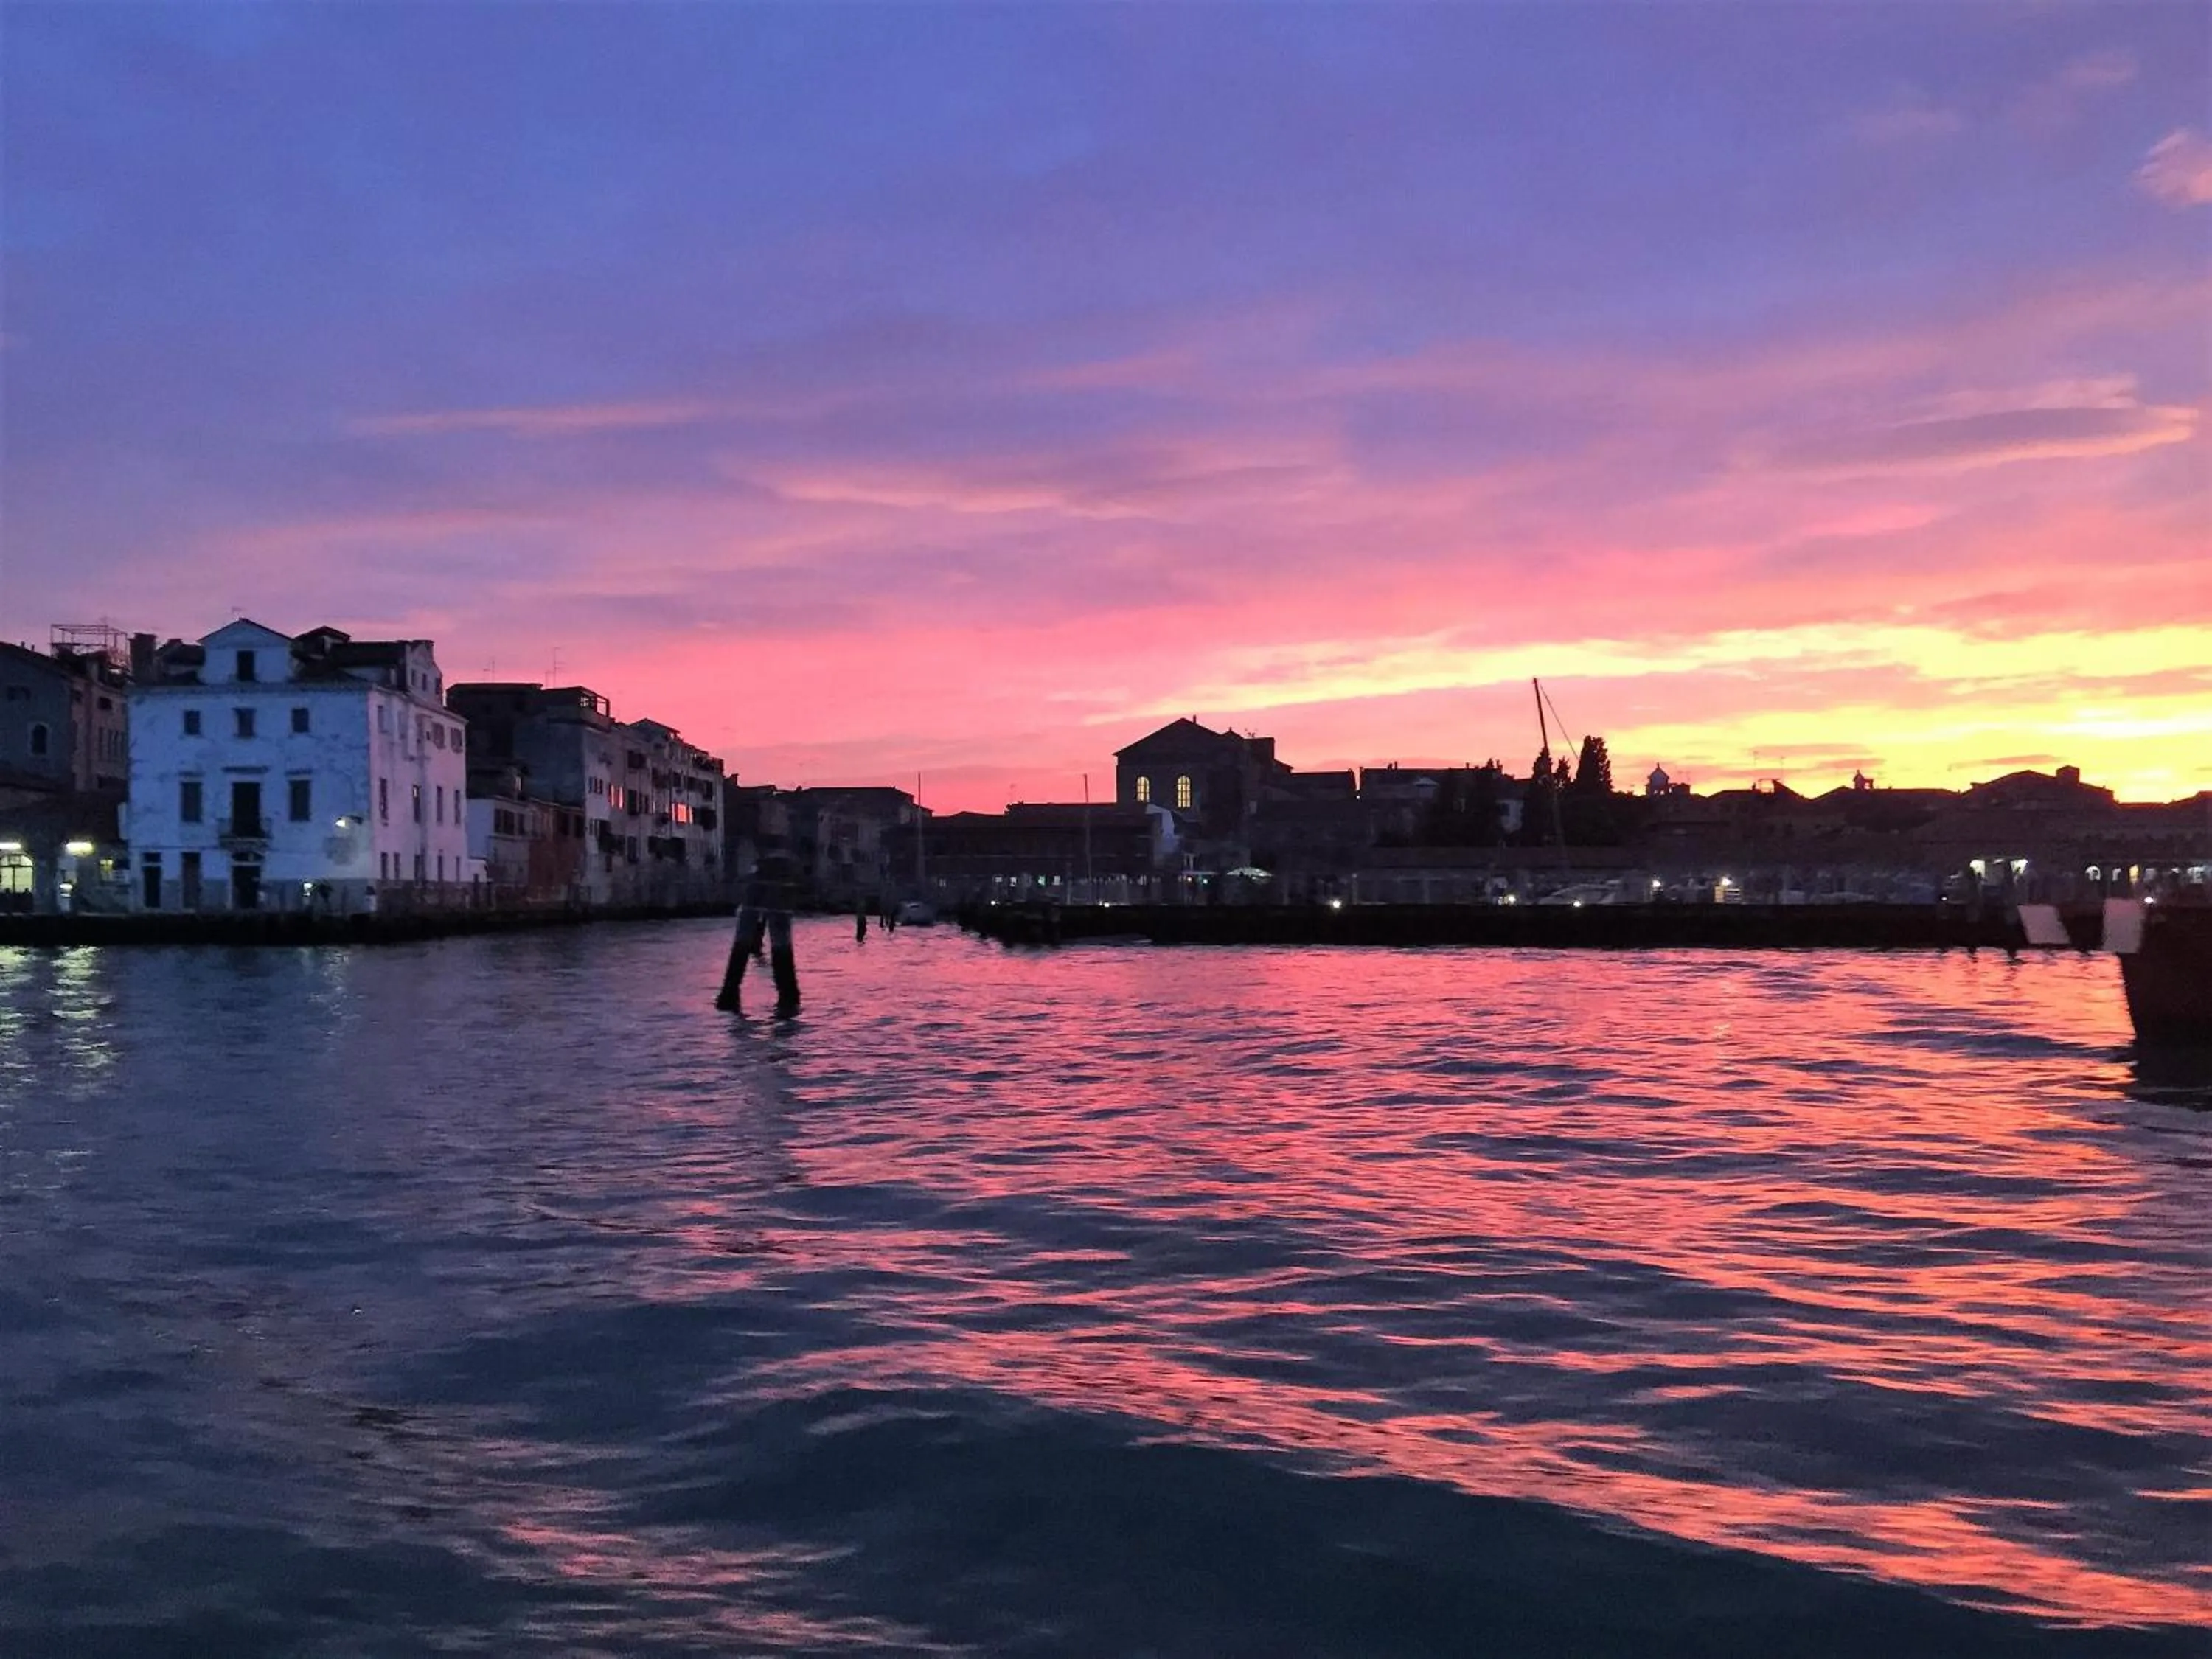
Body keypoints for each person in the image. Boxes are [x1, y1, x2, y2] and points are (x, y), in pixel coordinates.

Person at [716, 813, 800, 1015]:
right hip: (777, 908)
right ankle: (788, 1000)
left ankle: (730, 998)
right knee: (781, 951)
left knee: (748, 946)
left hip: (763, 907)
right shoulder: (781, 865)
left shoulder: (758, 866)